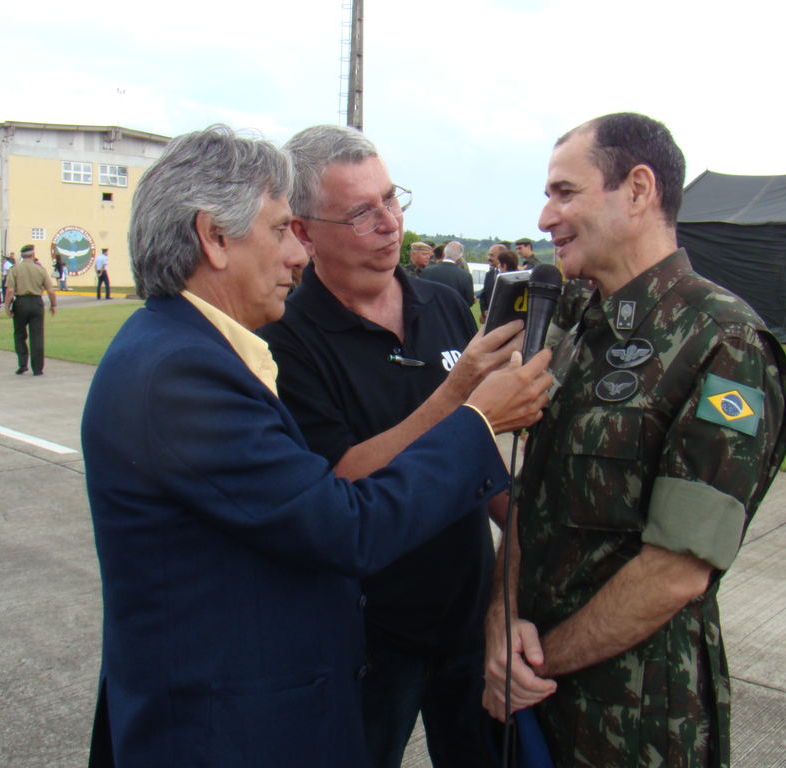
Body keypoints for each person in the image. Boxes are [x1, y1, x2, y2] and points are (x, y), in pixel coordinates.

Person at [83, 125, 551, 768]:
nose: (295, 257)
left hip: (410, 639)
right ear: (213, 237)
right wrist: (473, 416)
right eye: (280, 231)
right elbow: (343, 523)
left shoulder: (188, 351)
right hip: (229, 727)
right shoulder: (182, 374)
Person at [482, 113, 786, 768]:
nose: (545, 217)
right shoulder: (578, 325)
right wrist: (499, 621)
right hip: (533, 698)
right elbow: (530, 502)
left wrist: (537, 662)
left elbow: (676, 570)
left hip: (636, 723)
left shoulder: (725, 342)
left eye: (565, 192)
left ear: (638, 189)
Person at [261, 124, 539, 768]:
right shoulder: (286, 337)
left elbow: (481, 454)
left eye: (392, 199)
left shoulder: (442, 302)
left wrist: (520, 519)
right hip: (365, 637)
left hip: (467, 617)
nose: (390, 224)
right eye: (362, 212)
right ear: (303, 232)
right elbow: (341, 481)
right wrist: (462, 392)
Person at [4, 244, 57, 376]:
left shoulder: (15, 269)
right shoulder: (40, 270)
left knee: (19, 334)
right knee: (37, 336)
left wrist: (7, 306)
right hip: (36, 302)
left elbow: (10, 290)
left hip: (21, 302)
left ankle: (22, 364)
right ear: (33, 255)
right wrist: (53, 304)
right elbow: (50, 290)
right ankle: (37, 368)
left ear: (21, 256)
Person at [420, 240, 475, 306]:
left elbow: (421, 296)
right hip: (454, 314)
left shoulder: (427, 271)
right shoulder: (466, 276)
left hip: (431, 314)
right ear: (459, 257)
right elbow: (469, 302)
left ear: (444, 253)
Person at [478, 243, 504, 322]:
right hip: (490, 321)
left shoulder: (510, 274)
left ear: (501, 257)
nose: (488, 258)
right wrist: (484, 312)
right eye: (488, 255)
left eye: (492, 255)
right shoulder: (489, 274)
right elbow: (483, 296)